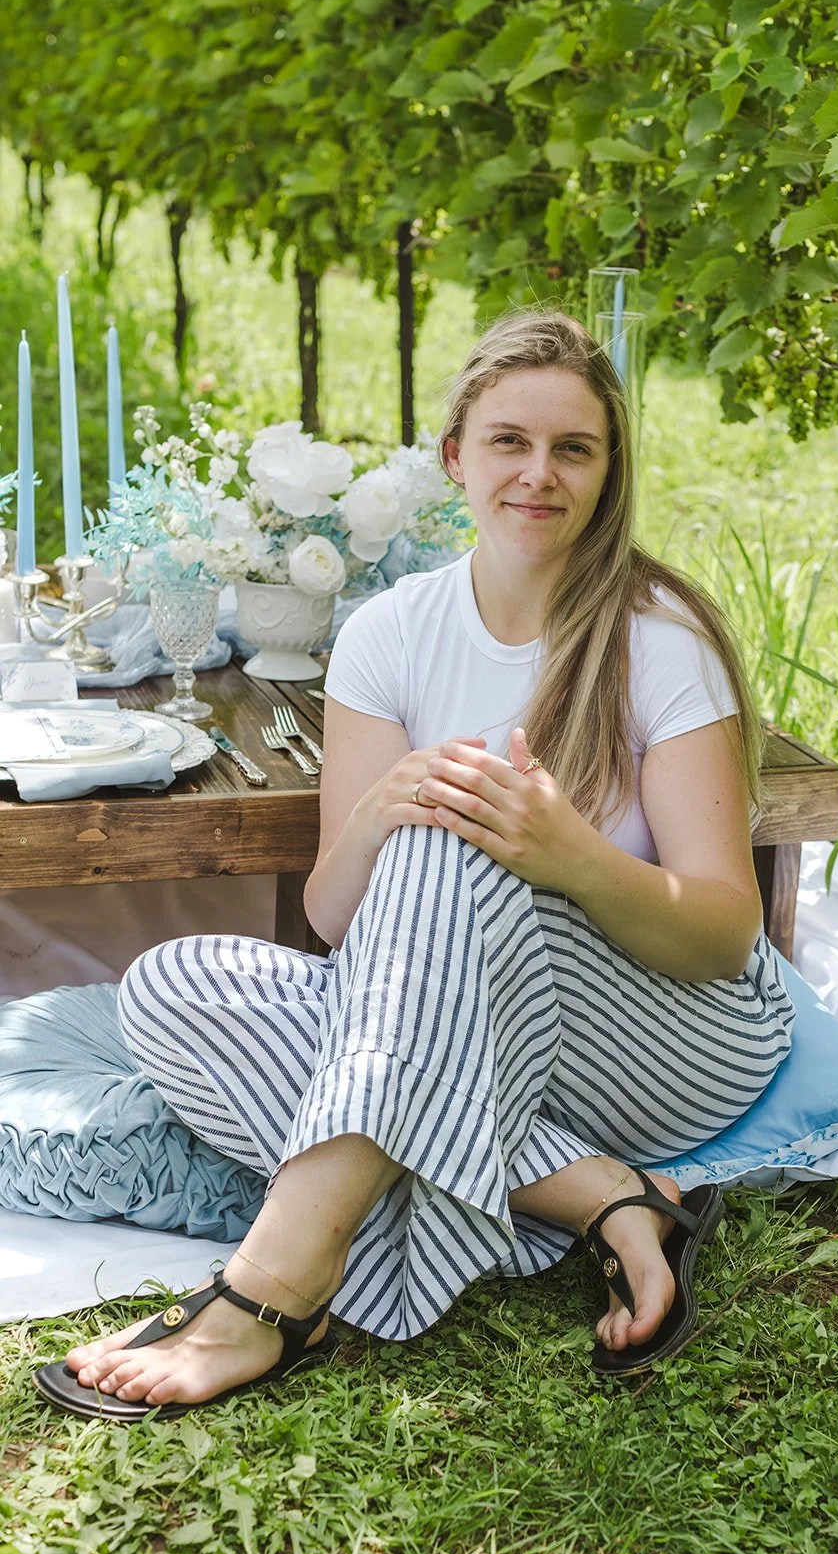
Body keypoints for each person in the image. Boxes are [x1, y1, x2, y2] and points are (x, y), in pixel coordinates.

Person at [34, 310, 795, 1421]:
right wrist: (381, 813)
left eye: (571, 448)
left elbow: (726, 933)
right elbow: (342, 921)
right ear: (455, 458)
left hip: (676, 1027)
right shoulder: (390, 631)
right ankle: (606, 1196)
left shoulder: (658, 640)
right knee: (169, 987)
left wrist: (567, 855)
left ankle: (276, 1284)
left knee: (453, 846)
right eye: (507, 442)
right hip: (464, 1021)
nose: (538, 473)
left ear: (606, 471)